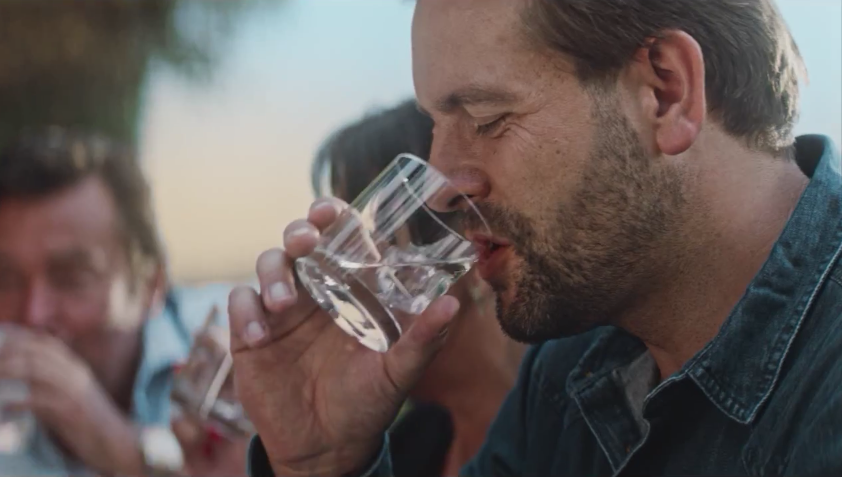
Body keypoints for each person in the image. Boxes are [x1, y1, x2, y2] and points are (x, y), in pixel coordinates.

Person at [203, 0, 841, 475]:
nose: (439, 184)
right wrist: (325, 465)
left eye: (486, 117)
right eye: (435, 124)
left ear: (664, 92)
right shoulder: (571, 367)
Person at [0, 127, 247, 476]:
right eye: (5, 280)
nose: (33, 314)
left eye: (70, 278)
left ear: (151, 285)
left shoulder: (240, 372)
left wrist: (125, 450)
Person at [311, 99, 525, 476]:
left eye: (373, 233)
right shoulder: (403, 450)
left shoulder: (584, 430)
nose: (354, 271)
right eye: (346, 238)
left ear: (474, 245)